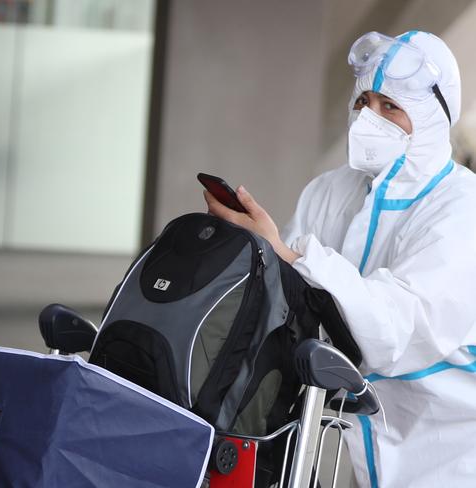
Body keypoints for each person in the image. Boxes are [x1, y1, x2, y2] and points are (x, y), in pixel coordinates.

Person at [204, 30, 476, 487]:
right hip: (367, 442)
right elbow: (287, 302)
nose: (370, 118)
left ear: (432, 119)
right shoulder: (332, 191)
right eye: (363, 101)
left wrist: (288, 253)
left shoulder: (461, 208)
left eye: (391, 107)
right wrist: (253, 255)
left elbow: (396, 327)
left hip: (448, 454)